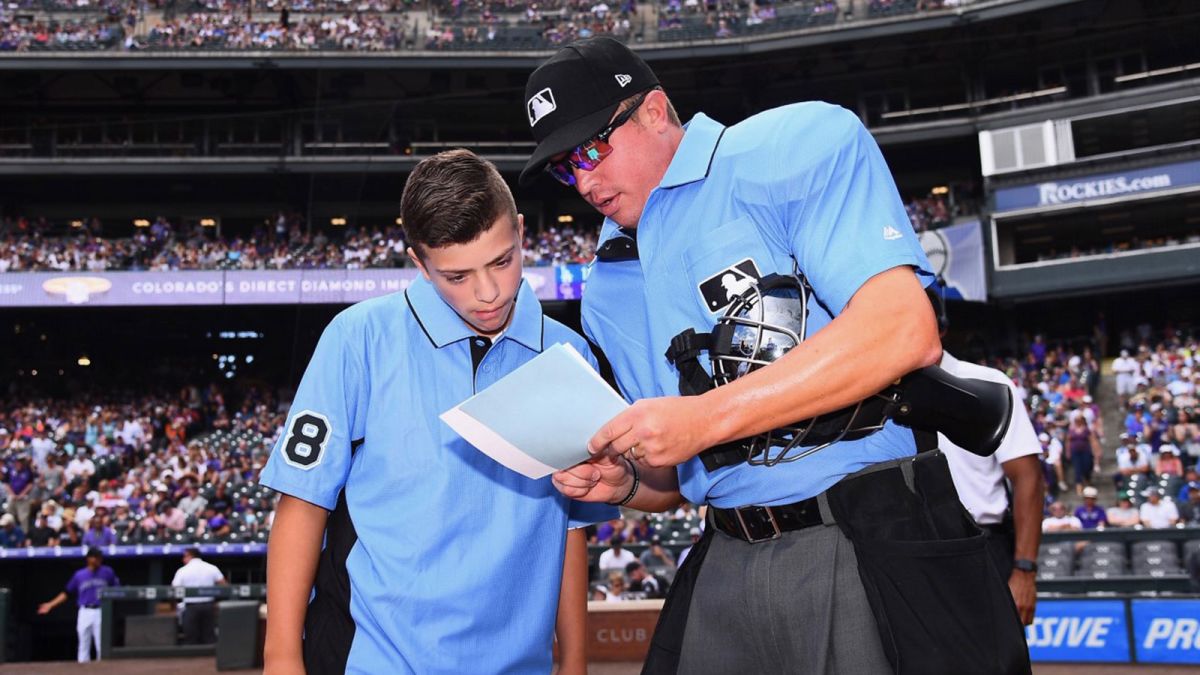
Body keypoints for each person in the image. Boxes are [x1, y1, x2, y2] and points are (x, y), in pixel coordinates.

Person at [523, 37, 1028, 675]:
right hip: (727, 549)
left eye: (593, 148)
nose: (586, 181)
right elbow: (682, 475)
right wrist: (627, 484)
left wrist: (702, 419)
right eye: (568, 167)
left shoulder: (790, 144)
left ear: (654, 110)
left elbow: (903, 330)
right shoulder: (607, 286)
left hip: (864, 526)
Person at [260, 149, 615, 674]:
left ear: (519, 230)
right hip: (378, 659)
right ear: (419, 263)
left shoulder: (568, 356)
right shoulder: (358, 339)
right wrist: (281, 657)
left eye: (502, 260)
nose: (488, 292)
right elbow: (302, 505)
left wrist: (575, 663)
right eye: (456, 275)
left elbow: (567, 530)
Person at [937, 349, 1044, 625]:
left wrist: (1025, 570)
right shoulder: (883, 388)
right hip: (914, 550)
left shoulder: (986, 381)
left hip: (982, 546)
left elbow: (1028, 477)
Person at [37, 548, 121, 663]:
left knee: (101, 644)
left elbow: (117, 589)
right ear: (89, 559)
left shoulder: (108, 572)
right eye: (95, 557)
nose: (98, 560)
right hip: (84, 611)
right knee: (83, 643)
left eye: (99, 557)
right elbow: (67, 592)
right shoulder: (79, 575)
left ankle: (104, 670)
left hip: (101, 611)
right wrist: (51, 605)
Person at [171, 547, 227, 644]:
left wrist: (174, 606)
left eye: (184, 556)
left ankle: (191, 658)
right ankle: (210, 658)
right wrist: (219, 601)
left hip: (191, 607)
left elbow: (174, 589)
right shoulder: (211, 567)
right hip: (209, 606)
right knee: (209, 637)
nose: (183, 559)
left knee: (191, 638)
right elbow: (224, 585)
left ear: (190, 556)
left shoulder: (183, 570)